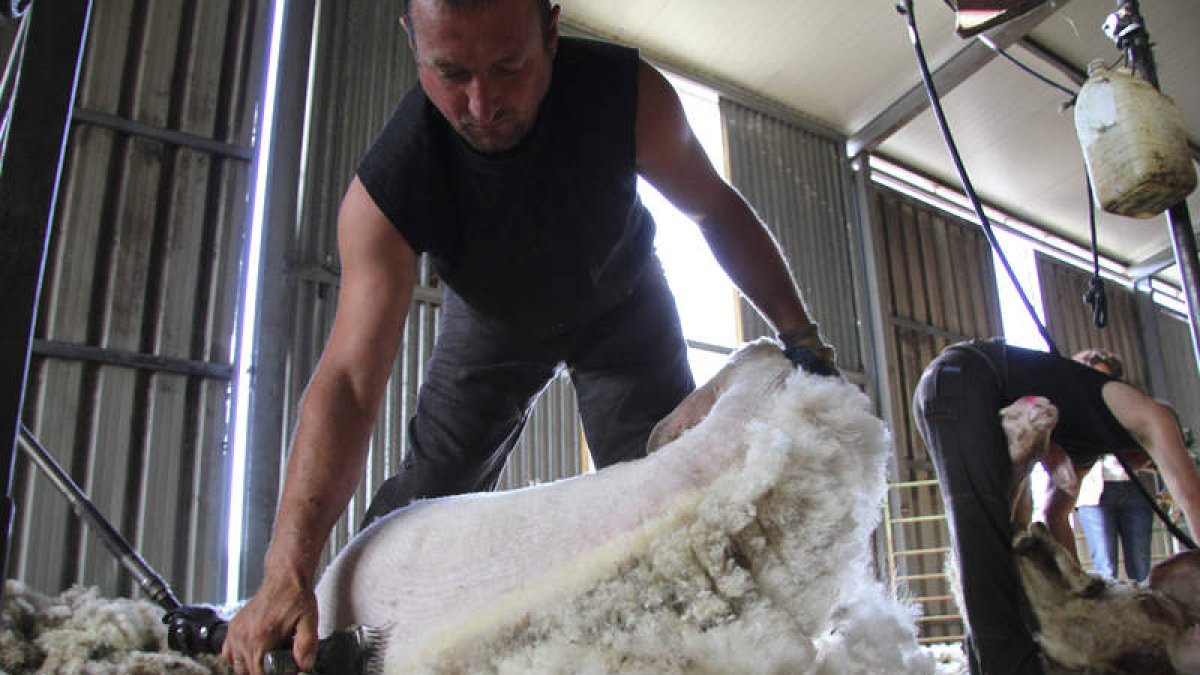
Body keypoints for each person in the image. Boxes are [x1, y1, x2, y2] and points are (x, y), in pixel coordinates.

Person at [222, 1, 837, 673]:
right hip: (494, 323)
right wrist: (287, 569)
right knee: (420, 496)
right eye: (450, 71)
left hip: (624, 301)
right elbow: (347, 379)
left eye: (508, 67)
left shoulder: (626, 96)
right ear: (413, 44)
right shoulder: (392, 185)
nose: (482, 105)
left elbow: (713, 206)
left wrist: (797, 330)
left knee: (669, 506)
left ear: (551, 33)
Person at [912, 338, 1200, 675]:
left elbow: (1056, 515)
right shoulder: (1152, 415)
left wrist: (1082, 599)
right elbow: (1192, 499)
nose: (1150, 469)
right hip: (966, 378)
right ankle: (1010, 667)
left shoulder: (1090, 445)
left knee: (991, 537)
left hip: (953, 389)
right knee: (981, 534)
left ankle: (983, 662)